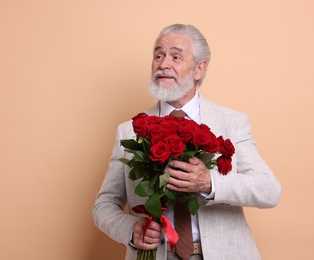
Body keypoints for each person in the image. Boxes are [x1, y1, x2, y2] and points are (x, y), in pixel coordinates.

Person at [93, 24, 281, 260]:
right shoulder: (129, 132)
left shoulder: (232, 122)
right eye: (158, 56)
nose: (163, 65)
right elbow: (104, 205)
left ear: (199, 69)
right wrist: (130, 229)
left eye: (175, 56)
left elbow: (269, 190)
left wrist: (209, 183)